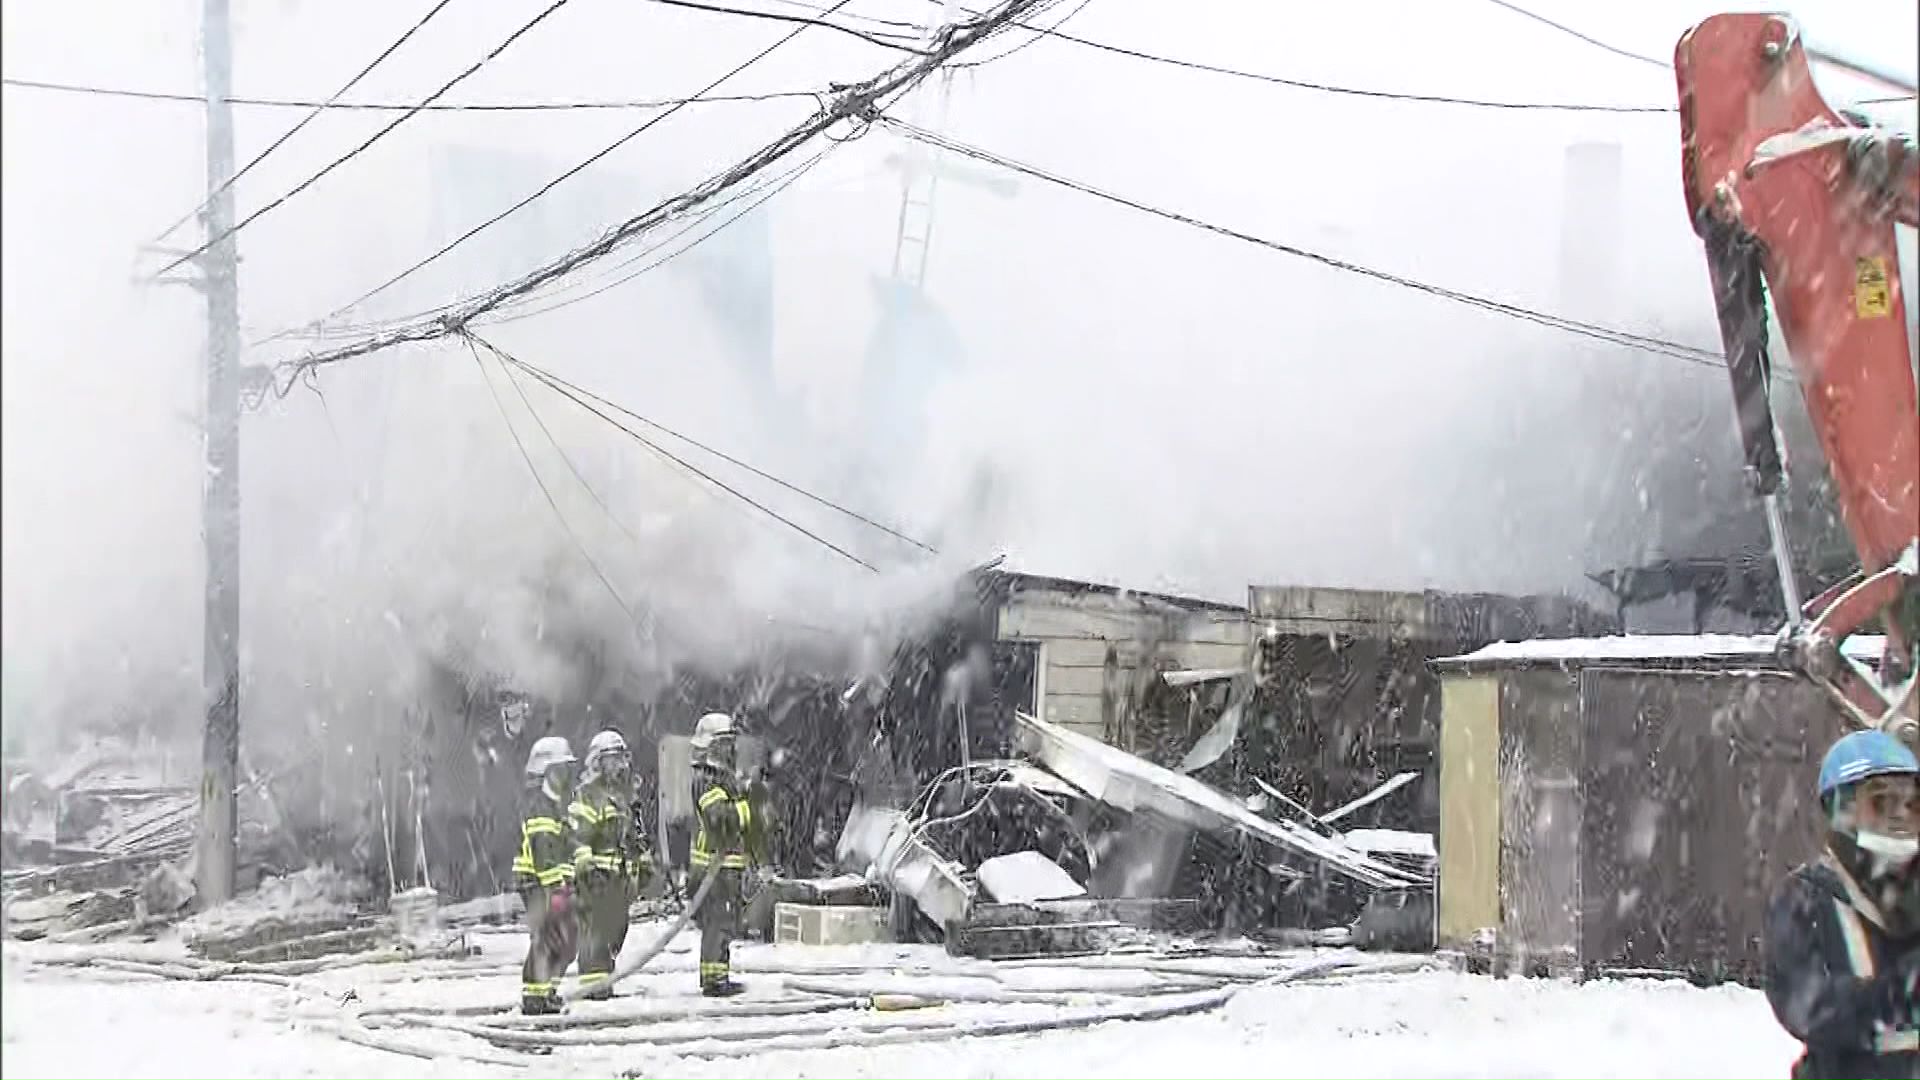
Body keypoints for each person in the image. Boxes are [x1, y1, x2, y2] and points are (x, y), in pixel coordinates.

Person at [1765, 729, 1920, 1079]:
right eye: (1882, 801)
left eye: (1912, 803)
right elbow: (1806, 1007)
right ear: (1842, 808)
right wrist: (1897, 995)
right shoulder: (1804, 898)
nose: (1901, 815)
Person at [570, 729, 652, 1001]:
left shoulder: (624, 796)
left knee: (617, 930)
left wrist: (642, 859)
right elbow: (578, 834)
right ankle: (595, 989)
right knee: (596, 933)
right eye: (612, 759)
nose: (620, 765)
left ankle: (603, 978)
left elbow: (632, 836)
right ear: (598, 762)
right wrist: (585, 866)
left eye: (621, 758)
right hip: (596, 877)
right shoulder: (589, 794)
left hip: (618, 878)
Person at [688, 712, 761, 997]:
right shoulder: (706, 780)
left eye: (731, 742)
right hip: (711, 869)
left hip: (725, 869)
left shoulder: (723, 778)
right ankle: (713, 982)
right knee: (717, 924)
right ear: (710, 746)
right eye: (724, 743)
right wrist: (747, 808)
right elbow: (719, 819)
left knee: (725, 925)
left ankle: (719, 975)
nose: (730, 748)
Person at [513, 735, 579, 1015]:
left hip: (552, 883)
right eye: (562, 769)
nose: (567, 775)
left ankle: (545, 990)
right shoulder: (539, 804)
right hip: (537, 882)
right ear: (548, 771)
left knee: (562, 938)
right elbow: (543, 847)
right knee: (545, 937)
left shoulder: (553, 804)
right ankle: (534, 997)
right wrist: (555, 884)